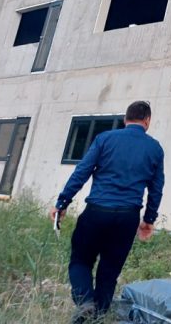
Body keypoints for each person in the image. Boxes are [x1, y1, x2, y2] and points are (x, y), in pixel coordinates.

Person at [52, 100, 165, 322]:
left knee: (80, 261)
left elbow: (82, 171)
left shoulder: (105, 139)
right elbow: (156, 188)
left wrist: (62, 203)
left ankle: (85, 302)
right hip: (127, 218)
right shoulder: (155, 148)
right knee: (109, 271)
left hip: (97, 212)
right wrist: (148, 219)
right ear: (147, 120)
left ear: (125, 119)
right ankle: (97, 317)